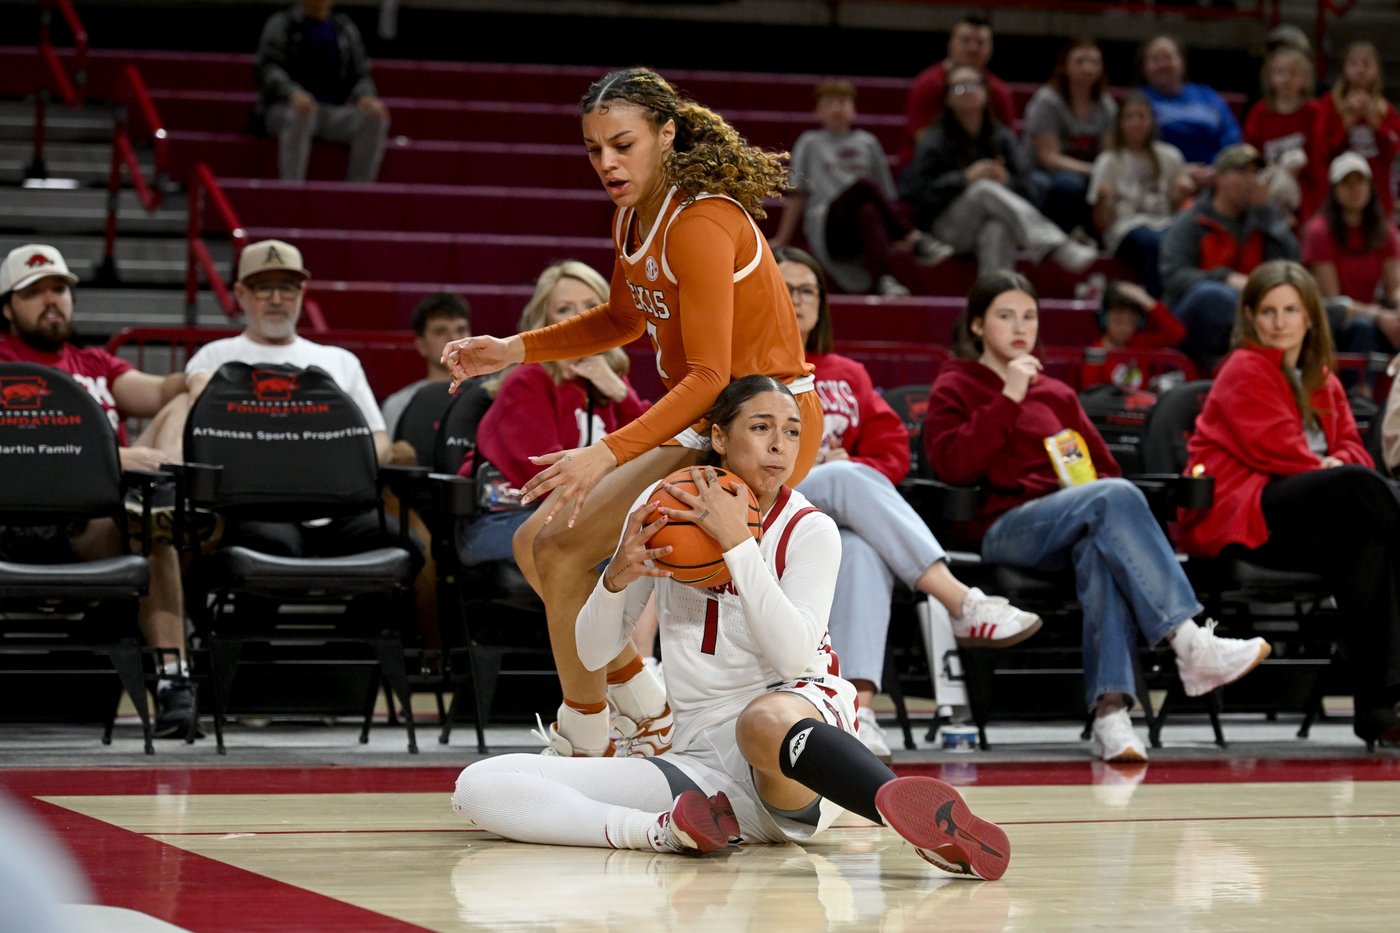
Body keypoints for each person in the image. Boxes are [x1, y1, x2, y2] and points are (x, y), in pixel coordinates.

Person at [452, 376, 1012, 880]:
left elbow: (794, 660)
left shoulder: (810, 529)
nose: (780, 445)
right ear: (718, 438)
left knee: (761, 722)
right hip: (700, 765)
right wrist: (615, 581)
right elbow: (592, 652)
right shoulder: (662, 506)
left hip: (799, 735)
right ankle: (666, 832)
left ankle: (904, 810)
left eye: (792, 432)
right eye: (761, 427)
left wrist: (738, 546)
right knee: (483, 785)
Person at [440, 68, 824, 759]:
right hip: (712, 412)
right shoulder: (633, 215)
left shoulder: (701, 222)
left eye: (623, 144)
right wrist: (513, 349)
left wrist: (605, 451)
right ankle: (640, 701)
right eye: (594, 150)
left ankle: (588, 730)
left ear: (666, 134)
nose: (608, 163)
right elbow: (622, 317)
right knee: (535, 543)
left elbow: (709, 374)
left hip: (765, 419)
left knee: (558, 549)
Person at [922, 270, 1271, 763]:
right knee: (1110, 499)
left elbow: (1102, 471)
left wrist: (1090, 493)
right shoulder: (955, 385)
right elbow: (955, 465)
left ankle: (1111, 715)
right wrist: (1009, 397)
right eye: (1005, 316)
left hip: (1076, 523)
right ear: (978, 325)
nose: (1020, 327)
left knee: (1101, 549)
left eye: (1029, 316)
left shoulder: (1058, 394)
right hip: (1004, 528)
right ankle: (1189, 641)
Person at [775, 247, 1042, 761]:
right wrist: (822, 465)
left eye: (808, 290)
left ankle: (859, 711)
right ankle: (961, 602)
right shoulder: (751, 369)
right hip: (771, 510)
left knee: (860, 549)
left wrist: (849, 461)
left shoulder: (847, 373)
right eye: (785, 288)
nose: (798, 299)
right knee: (850, 476)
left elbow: (894, 450)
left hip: (833, 513)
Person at [1176, 260, 1400, 748]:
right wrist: (1330, 466)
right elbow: (1275, 450)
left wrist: (1332, 465)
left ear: (1309, 318)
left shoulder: (1322, 377)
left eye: (1291, 310)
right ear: (1252, 318)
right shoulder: (1243, 369)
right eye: (1269, 311)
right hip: (1251, 514)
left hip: (1314, 513)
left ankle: (1380, 713)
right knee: (1358, 487)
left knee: (1367, 545)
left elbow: (1353, 450)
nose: (1280, 322)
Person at [0, 244, 197, 737]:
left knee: (180, 415)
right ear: (8, 307)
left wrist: (194, 378)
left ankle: (174, 682)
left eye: (60, 289)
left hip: (97, 523)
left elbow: (157, 392)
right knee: (145, 514)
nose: (52, 300)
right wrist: (112, 461)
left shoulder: (94, 363)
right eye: (35, 292)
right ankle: (152, 495)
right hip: (20, 520)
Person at [182, 239, 412, 564]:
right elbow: (203, 435)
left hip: (335, 511)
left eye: (287, 288)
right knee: (273, 548)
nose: (277, 299)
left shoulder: (339, 361)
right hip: (256, 508)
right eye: (263, 288)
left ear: (302, 293)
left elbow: (377, 439)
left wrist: (335, 474)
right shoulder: (214, 357)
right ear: (240, 294)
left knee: (407, 547)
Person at [458, 260, 650, 568]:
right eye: (564, 309)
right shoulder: (528, 381)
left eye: (591, 307)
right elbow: (552, 480)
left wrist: (621, 394)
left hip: (580, 519)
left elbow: (655, 451)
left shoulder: (608, 381)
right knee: (613, 560)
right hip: (509, 520)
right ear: (544, 321)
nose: (579, 318)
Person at [898, 65, 1099, 279]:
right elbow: (920, 196)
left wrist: (1007, 182)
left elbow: (1030, 191)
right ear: (947, 99)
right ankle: (1054, 244)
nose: (967, 91)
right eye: (958, 88)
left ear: (986, 92)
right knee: (983, 189)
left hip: (994, 222)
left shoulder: (1002, 138)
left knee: (998, 228)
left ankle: (993, 302)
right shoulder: (933, 140)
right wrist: (965, 178)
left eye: (974, 85)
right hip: (946, 230)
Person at [770, 78, 950, 299]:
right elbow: (797, 194)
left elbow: (885, 195)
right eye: (830, 103)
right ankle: (913, 237)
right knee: (863, 186)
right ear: (817, 111)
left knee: (867, 209)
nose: (837, 108)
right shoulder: (809, 142)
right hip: (828, 224)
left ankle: (884, 279)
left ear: (854, 110)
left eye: (843, 102)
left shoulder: (867, 142)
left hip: (859, 229)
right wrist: (782, 237)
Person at [1159, 143, 1299, 365]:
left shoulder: (1262, 220)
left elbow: (1290, 266)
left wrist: (1268, 212)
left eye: (1255, 173)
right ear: (1219, 178)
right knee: (1215, 297)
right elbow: (1174, 276)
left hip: (1252, 309)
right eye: (1242, 172)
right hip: (1192, 320)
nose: (1251, 180)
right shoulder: (1191, 221)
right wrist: (1225, 278)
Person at [255, 0, 390, 182]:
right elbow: (268, 68)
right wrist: (292, 93)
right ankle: (291, 191)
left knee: (374, 118)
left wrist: (366, 96)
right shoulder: (282, 24)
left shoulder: (344, 29)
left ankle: (359, 192)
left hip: (329, 112)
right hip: (285, 109)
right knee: (302, 115)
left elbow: (360, 74)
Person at [1088, 92, 1191, 298]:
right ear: (1120, 123)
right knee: (1155, 243)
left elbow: (1177, 209)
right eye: (1130, 117)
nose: (1136, 123)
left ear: (1152, 120)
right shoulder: (1108, 161)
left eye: (1142, 116)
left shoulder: (1170, 156)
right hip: (1126, 228)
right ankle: (1157, 305)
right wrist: (1103, 200)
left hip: (1165, 223)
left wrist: (1181, 194)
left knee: (1179, 238)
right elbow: (1101, 224)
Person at [1302, 152, 1400, 355]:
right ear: (1334, 189)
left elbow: (1395, 288)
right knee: (1361, 327)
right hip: (1332, 318)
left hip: (1374, 314)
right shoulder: (1320, 231)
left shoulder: (1384, 230)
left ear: (1370, 187)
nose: (1355, 189)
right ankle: (1360, 387)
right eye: (1347, 182)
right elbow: (1334, 301)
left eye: (1360, 181)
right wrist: (1379, 315)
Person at [1023, 38, 1117, 237]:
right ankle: (1059, 240)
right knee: (1068, 186)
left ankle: (1096, 239)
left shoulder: (1106, 105)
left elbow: (1108, 154)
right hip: (1044, 171)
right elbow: (1049, 158)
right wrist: (1093, 171)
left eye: (1093, 62)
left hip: (1087, 172)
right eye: (1080, 61)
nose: (1087, 68)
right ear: (1065, 66)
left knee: (1107, 188)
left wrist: (1102, 175)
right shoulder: (1048, 101)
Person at [899, 15, 1016, 168]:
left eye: (980, 43)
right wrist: (965, 173)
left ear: (991, 49)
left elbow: (1007, 141)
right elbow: (921, 137)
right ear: (951, 43)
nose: (973, 48)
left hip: (985, 168)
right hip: (931, 168)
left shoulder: (999, 90)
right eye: (966, 41)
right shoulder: (928, 84)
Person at [1316, 41, 1400, 219]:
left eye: (1367, 64)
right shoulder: (1329, 105)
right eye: (1354, 63)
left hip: (1377, 191)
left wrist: (1375, 122)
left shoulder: (1385, 109)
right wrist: (1346, 121)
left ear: (1377, 70)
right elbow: (1323, 149)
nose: (1361, 69)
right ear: (1343, 69)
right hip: (1340, 187)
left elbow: (1392, 150)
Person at [1242, 45, 1324, 225]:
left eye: (1293, 74)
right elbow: (1249, 153)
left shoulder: (1314, 112)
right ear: (1270, 77)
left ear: (1305, 79)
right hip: (1267, 182)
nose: (1286, 79)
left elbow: (1319, 157)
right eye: (1280, 73)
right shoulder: (1260, 112)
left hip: (1304, 187)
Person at [379, 291, 472, 441]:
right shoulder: (399, 405)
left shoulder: (492, 396)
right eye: (440, 332)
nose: (454, 339)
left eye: (461, 330)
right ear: (421, 345)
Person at [1139, 35, 1243, 167]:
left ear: (1181, 62)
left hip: (1213, 173)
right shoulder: (1139, 100)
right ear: (1144, 66)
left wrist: (1216, 170)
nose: (1163, 65)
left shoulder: (1207, 95)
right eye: (1155, 59)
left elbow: (1231, 137)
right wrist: (1179, 172)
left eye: (1168, 58)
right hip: (1160, 174)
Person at [1079, 280, 1187, 390]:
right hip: (1109, 406)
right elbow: (1090, 391)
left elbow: (1177, 333)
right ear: (1103, 320)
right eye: (1118, 321)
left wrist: (1145, 300)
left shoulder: (1140, 343)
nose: (1125, 328)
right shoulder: (1096, 351)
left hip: (1142, 405)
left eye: (1131, 322)